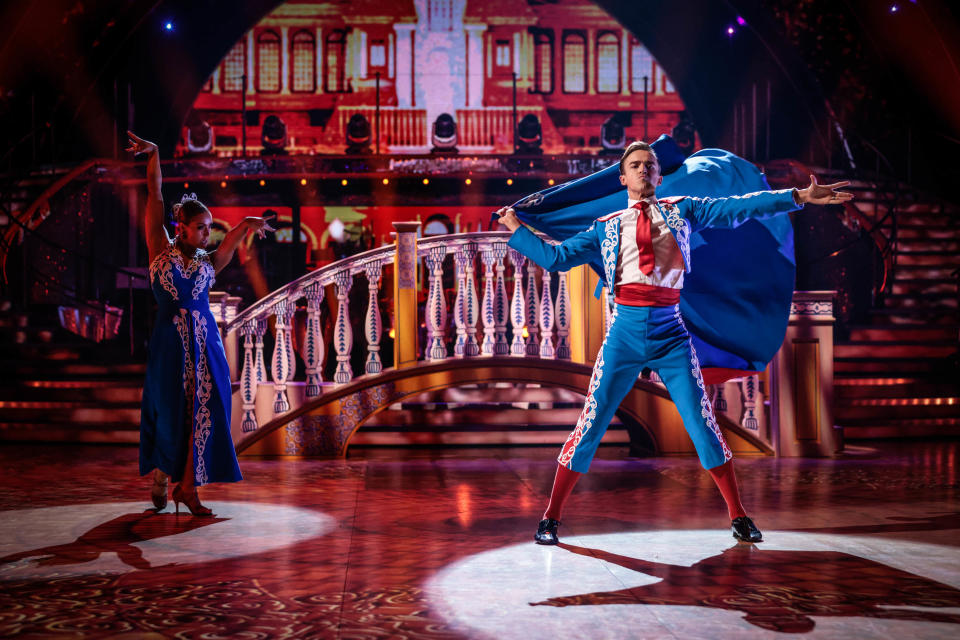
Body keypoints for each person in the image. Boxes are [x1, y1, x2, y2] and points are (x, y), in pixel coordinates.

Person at [496, 140, 853, 544]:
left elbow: (741, 206)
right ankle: (550, 517)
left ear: (659, 175)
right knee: (591, 424)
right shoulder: (606, 226)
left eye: (650, 164)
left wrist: (797, 196)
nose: (644, 170)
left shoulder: (684, 210)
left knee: (702, 425)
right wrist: (516, 229)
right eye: (635, 165)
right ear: (623, 178)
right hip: (623, 337)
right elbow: (556, 259)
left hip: (671, 335)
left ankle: (738, 515)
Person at [127, 131, 274, 515]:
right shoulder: (160, 248)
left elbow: (232, 242)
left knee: (206, 411)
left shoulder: (209, 263)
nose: (208, 234)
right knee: (170, 410)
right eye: (202, 228)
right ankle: (163, 471)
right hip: (170, 343)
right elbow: (156, 196)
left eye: (210, 228)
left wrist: (247, 223)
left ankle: (189, 488)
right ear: (182, 228)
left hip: (205, 343)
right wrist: (155, 153)